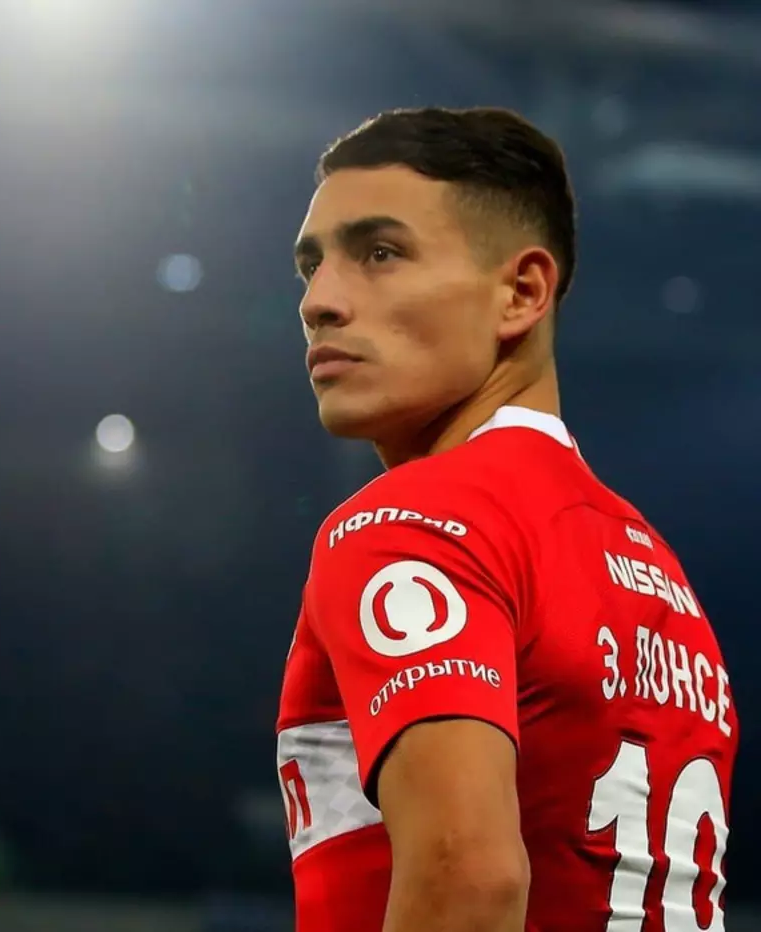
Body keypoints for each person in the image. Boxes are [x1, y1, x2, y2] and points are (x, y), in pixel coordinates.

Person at [275, 107, 737, 932]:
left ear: (521, 292)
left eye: (380, 254)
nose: (320, 301)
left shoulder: (410, 523)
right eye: (312, 266)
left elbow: (468, 878)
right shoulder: (656, 571)